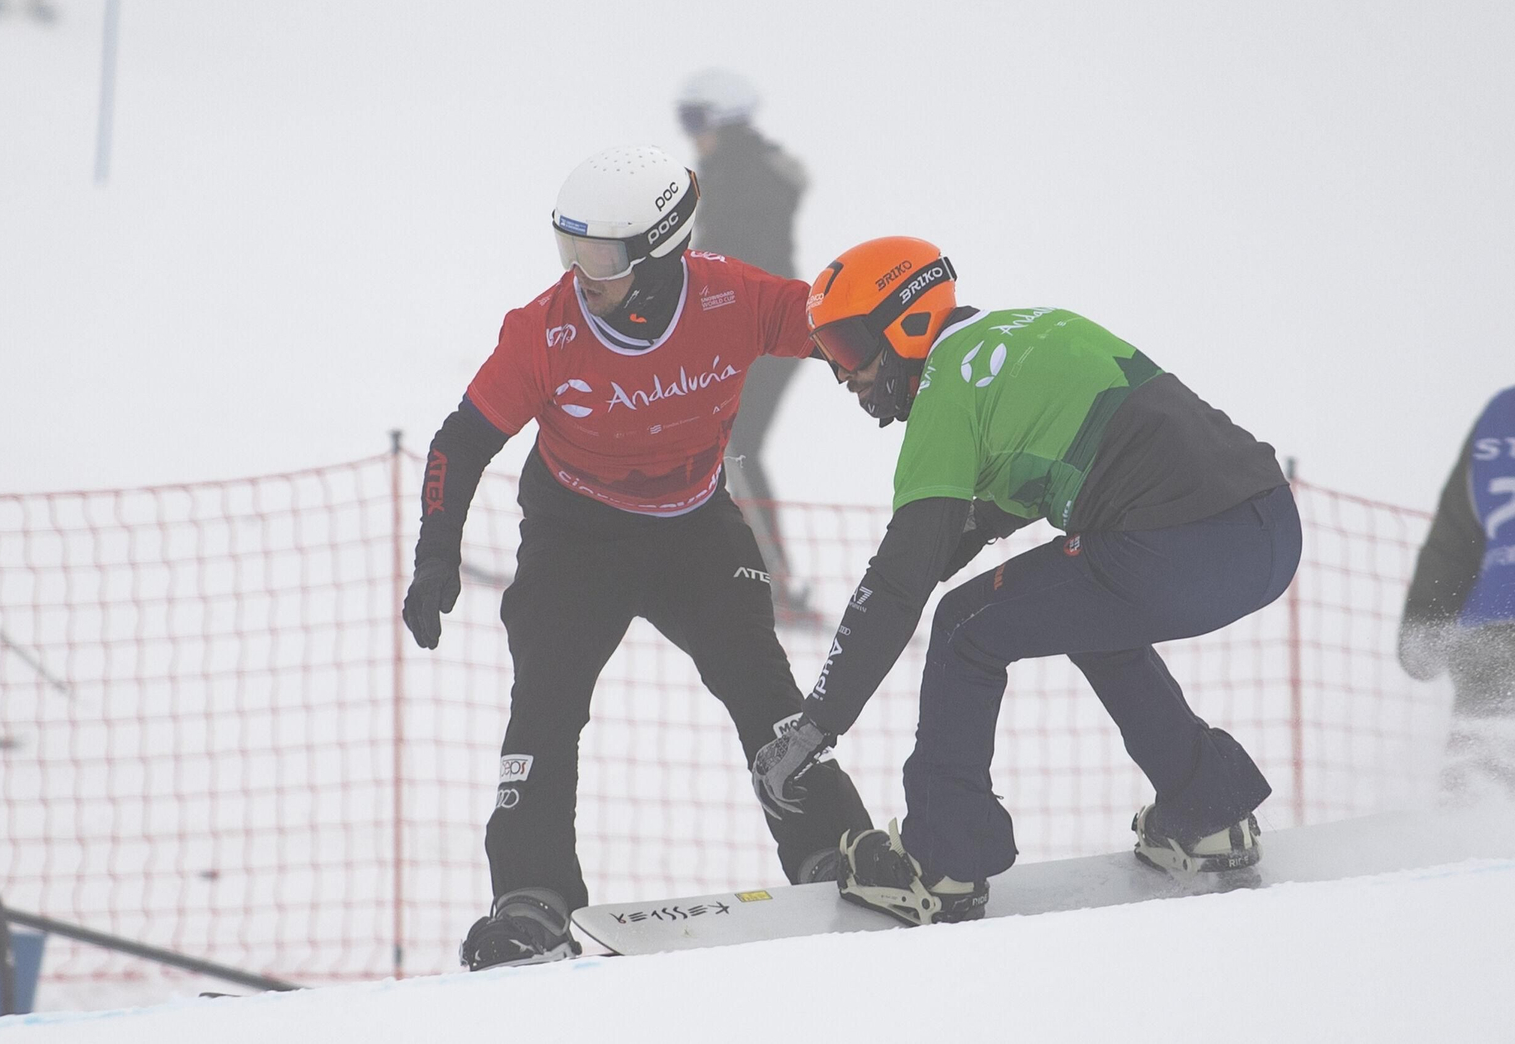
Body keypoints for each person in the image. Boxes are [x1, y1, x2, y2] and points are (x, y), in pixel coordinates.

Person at [402, 145, 871, 969]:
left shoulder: (731, 296)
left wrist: (919, 351)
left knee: (761, 685)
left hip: (694, 529)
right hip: (575, 536)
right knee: (545, 701)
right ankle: (532, 897)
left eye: (601, 257)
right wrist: (436, 553)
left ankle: (831, 851)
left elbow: (840, 324)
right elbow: (460, 440)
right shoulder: (544, 330)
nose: (579, 274)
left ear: (657, 256)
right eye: (569, 248)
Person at [749, 236, 1299, 924]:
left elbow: (899, 583)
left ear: (906, 320)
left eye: (849, 346)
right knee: (1090, 615)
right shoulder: (1036, 328)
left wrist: (815, 726)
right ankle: (1208, 812)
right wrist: (938, 550)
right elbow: (1012, 494)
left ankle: (942, 866)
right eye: (828, 351)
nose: (842, 375)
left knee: (965, 627)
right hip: (1270, 529)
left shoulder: (948, 387)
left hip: (1176, 550)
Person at [676, 69, 812, 616]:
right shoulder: (741, 171)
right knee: (705, 443)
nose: (690, 133)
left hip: (764, 335)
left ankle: (775, 582)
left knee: (734, 447)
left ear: (723, 120)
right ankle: (703, 565)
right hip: (757, 331)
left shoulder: (738, 179)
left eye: (693, 120)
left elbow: (721, 260)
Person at [1399, 385, 1515, 796]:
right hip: (1490, 640)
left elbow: (1455, 537)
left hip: (1491, 634)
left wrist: (1426, 618)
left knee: (1481, 784)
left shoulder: (1502, 415)